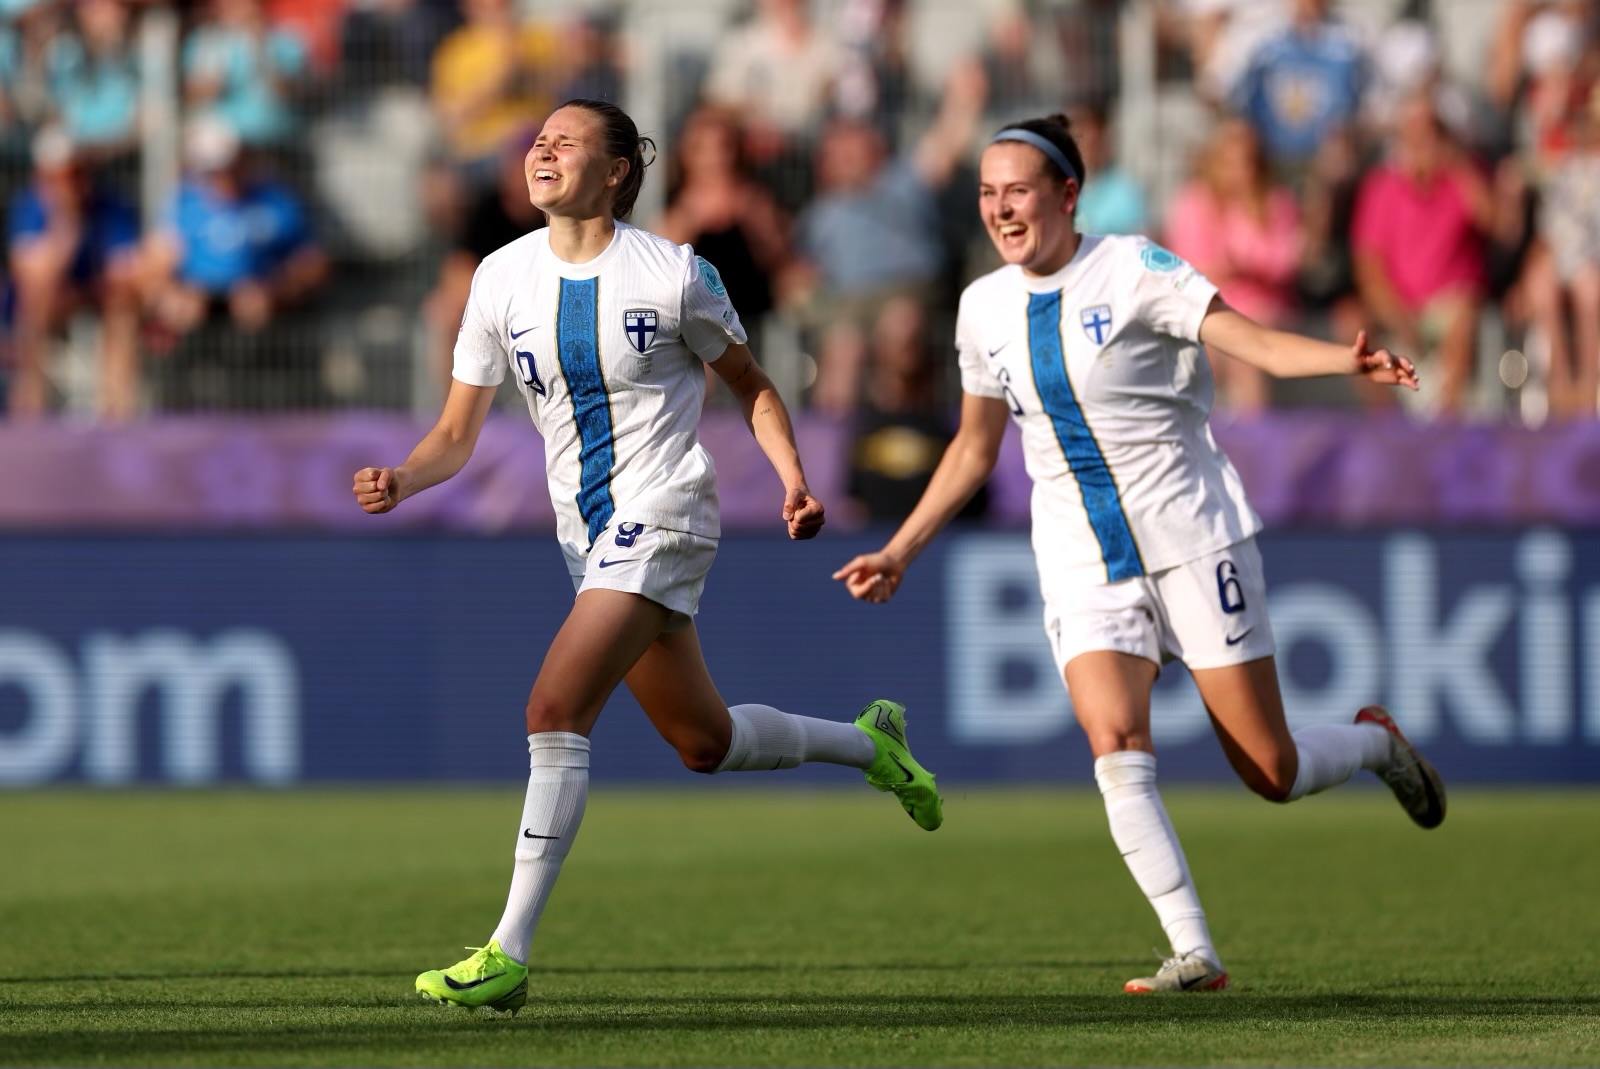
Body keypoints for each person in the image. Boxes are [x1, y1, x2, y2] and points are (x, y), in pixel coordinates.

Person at [351, 98, 943, 1016]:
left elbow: (749, 384)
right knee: (704, 742)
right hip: (587, 538)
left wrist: (791, 475)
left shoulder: (673, 274)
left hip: (665, 512)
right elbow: (455, 433)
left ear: (619, 168)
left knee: (554, 707)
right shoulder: (500, 278)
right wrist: (403, 477)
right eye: (537, 140)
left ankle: (506, 949)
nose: (541, 149)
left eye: (565, 140)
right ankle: (872, 745)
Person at [833, 113, 1447, 994]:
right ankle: (1194, 949)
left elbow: (1253, 340)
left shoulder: (1135, 269)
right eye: (986, 194)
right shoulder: (982, 306)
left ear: (1068, 194)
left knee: (1270, 771)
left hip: (1193, 534)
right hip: (1082, 557)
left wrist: (1343, 362)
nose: (1001, 209)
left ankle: (1377, 746)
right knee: (1114, 740)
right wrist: (900, 549)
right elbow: (973, 448)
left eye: (1018, 190)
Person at [1165, 115, 1302, 413]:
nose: (1241, 171)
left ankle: (1254, 446)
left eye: (1248, 162)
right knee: (1205, 355)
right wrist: (1241, 267)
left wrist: (1241, 267)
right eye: (1231, 162)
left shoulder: (1276, 203)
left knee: (1245, 354)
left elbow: (1285, 264)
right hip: (1207, 306)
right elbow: (1187, 265)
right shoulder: (1195, 202)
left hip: (1264, 307)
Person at [7, 125, 140, 419]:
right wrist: (65, 227)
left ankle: (117, 411)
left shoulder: (113, 206)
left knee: (123, 306)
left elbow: (124, 270)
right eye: (63, 175)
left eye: (78, 172)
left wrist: (88, 289)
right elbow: (31, 275)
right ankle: (30, 407)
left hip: (95, 292)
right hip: (51, 299)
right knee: (34, 305)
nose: (73, 183)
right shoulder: (29, 208)